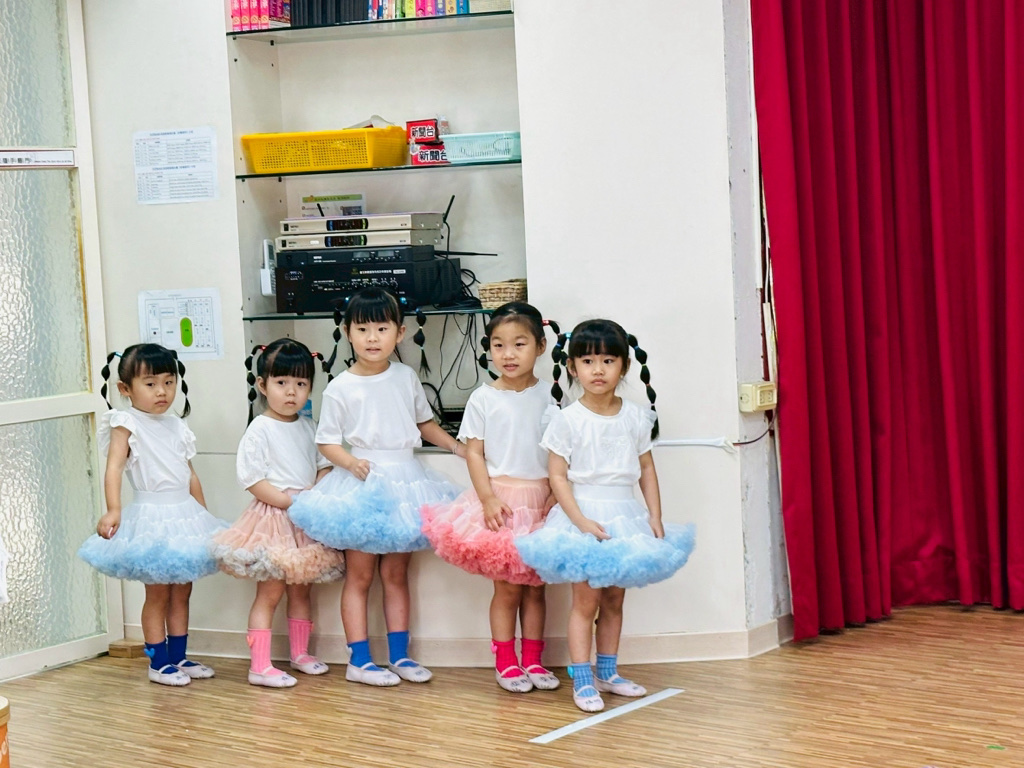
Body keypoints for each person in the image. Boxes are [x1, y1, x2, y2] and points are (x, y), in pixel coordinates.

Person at [516, 319, 696, 712]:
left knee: (614, 600)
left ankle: (608, 673)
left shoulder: (636, 417)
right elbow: (557, 476)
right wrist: (580, 521)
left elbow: (646, 468)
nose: (598, 370)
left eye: (608, 361)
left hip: (625, 515)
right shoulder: (566, 419)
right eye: (588, 361)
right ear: (572, 367)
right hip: (583, 515)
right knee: (585, 603)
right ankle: (582, 679)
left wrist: (655, 515)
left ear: (624, 366)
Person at [289, 287, 464, 686]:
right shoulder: (340, 386)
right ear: (347, 332)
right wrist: (350, 462)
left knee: (397, 575)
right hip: (361, 483)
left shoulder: (405, 377)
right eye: (362, 329)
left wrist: (458, 447)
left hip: (406, 481)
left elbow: (424, 424)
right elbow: (326, 442)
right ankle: (360, 660)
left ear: (399, 333)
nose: (372, 338)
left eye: (382, 329)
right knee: (360, 576)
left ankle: (400, 655)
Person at [422, 302, 561, 694]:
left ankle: (533, 658)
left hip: (542, 500)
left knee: (536, 587)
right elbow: (475, 453)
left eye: (519, 344)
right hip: (501, 500)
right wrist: (486, 498)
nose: (508, 354)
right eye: (498, 345)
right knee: (507, 587)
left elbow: (560, 452)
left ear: (540, 346)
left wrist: (555, 493)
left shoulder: (552, 397)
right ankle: (505, 661)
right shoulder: (483, 398)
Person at [78, 343, 227, 686]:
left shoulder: (176, 424)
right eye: (150, 383)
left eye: (168, 382)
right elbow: (114, 468)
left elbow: (189, 473)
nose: (162, 391)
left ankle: (179, 656)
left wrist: (202, 514)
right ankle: (158, 662)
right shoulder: (126, 422)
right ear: (125, 388)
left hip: (184, 513)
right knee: (158, 592)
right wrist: (114, 509)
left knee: (183, 590)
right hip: (151, 516)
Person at [212, 339, 346, 688]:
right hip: (273, 517)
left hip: (304, 517)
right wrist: (290, 502)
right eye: (281, 382)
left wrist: (313, 496)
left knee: (302, 589)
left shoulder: (309, 427)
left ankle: (300, 654)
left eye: (301, 383)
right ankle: (259, 666)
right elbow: (253, 480)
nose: (291, 392)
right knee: (270, 592)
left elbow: (324, 465)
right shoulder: (259, 429)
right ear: (262, 385)